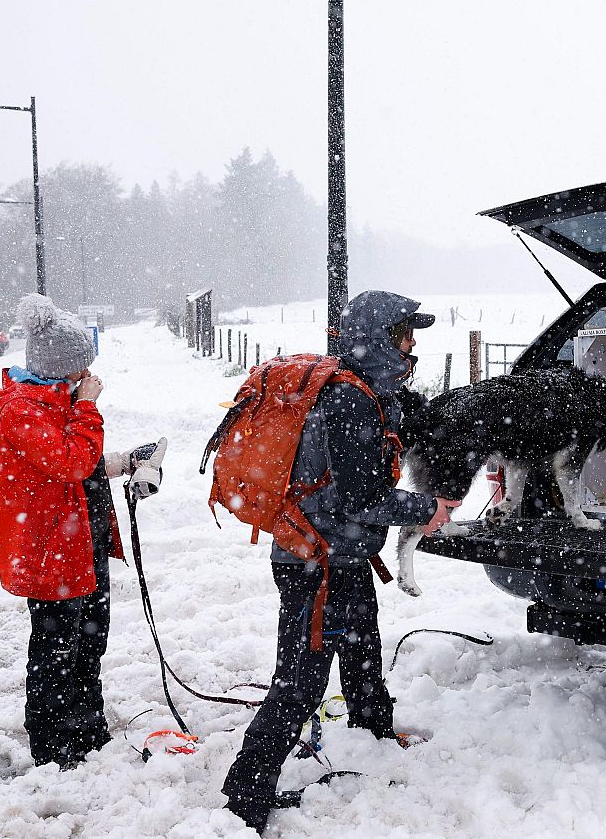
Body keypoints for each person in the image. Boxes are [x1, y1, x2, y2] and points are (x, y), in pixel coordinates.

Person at [222, 290, 460, 831]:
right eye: (405, 334)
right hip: (314, 564)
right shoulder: (348, 400)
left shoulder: (368, 391)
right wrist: (426, 509)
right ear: (379, 339)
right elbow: (361, 498)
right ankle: (244, 799)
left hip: (339, 557)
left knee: (362, 647)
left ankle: (374, 735)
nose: (412, 344)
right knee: (300, 682)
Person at [0, 294, 165, 769]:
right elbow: (67, 461)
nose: (89, 377)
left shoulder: (56, 401)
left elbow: (77, 464)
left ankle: (88, 732)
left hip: (81, 545)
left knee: (89, 642)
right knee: (55, 653)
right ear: (62, 368)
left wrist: (125, 463)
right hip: (52, 553)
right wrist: (89, 407)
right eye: (82, 369)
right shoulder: (24, 409)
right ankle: (53, 749)